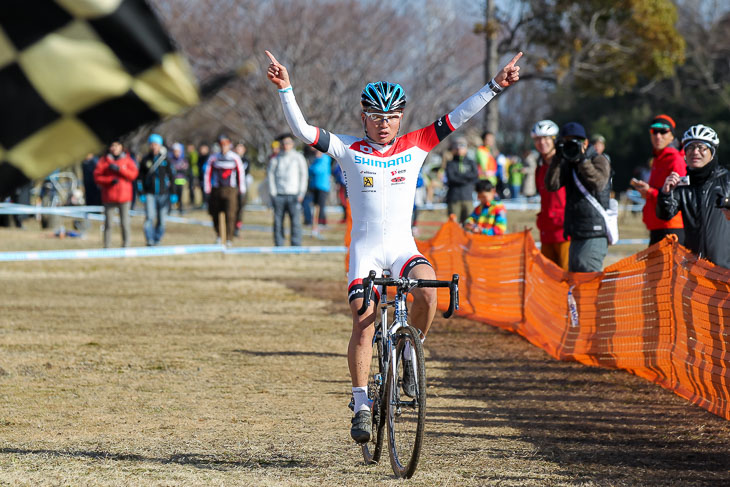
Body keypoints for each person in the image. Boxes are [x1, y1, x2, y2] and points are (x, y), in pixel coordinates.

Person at [265, 48, 522, 443]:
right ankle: (361, 401)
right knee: (365, 321)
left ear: (401, 117)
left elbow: (459, 115)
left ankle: (408, 357)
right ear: (363, 117)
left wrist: (495, 86)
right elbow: (303, 131)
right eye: (377, 116)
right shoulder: (346, 148)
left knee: (430, 293)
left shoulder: (417, 144)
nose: (384, 124)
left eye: (392, 117)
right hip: (366, 252)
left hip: (402, 248)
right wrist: (286, 89)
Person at [658, 124, 730, 268]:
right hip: (695, 270)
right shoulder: (682, 185)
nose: (695, 152)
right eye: (690, 148)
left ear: (712, 152)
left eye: (701, 147)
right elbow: (665, 214)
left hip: (725, 269)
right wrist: (665, 193)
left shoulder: (727, 180)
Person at [545, 122, 612, 273]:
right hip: (576, 231)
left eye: (575, 141)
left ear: (586, 142)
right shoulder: (567, 162)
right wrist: (557, 158)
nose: (571, 145)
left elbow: (599, 183)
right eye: (566, 141)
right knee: (576, 280)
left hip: (594, 231)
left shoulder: (598, 159)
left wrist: (582, 160)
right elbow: (551, 185)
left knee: (587, 276)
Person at [630, 115, 686, 246]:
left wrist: (649, 192)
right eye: (654, 132)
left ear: (672, 135)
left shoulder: (674, 159)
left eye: (663, 132)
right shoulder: (658, 158)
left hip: (671, 225)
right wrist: (646, 191)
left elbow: (678, 195)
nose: (658, 136)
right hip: (658, 225)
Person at [531, 120, 570, 270]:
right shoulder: (539, 168)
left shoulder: (565, 164)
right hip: (546, 231)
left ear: (555, 139)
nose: (542, 142)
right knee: (548, 277)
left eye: (546, 138)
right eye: (538, 139)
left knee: (567, 275)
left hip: (564, 231)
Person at [93, 140, 138, 248]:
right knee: (108, 223)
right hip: (109, 196)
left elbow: (133, 174)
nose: (115, 148)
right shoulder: (103, 161)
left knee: (125, 223)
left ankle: (126, 245)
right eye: (112, 145)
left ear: (121, 147)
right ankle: (107, 246)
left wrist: (120, 170)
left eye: (117, 146)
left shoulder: (127, 160)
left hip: (125, 197)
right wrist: (109, 180)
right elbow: (97, 177)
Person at [267, 134, 308, 246]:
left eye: (288, 143)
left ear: (292, 144)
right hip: (279, 195)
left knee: (295, 222)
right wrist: (273, 193)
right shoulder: (276, 159)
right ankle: (279, 244)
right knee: (278, 221)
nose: (286, 146)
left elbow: (304, 175)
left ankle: (296, 244)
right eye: (284, 143)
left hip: (294, 194)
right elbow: (270, 176)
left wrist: (301, 192)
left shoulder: (298, 158)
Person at [204, 134, 246, 245]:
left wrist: (241, 189)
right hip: (217, 189)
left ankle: (229, 238)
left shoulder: (235, 158)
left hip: (231, 190)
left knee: (230, 214)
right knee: (215, 213)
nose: (223, 147)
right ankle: (219, 235)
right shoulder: (213, 158)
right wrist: (207, 189)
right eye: (221, 144)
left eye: (226, 144)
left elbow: (240, 174)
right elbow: (207, 174)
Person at [137, 133, 173, 246]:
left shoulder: (165, 159)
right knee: (150, 217)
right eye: (152, 144)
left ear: (160, 145)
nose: (154, 147)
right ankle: (149, 240)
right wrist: (141, 192)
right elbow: (140, 178)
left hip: (163, 194)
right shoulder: (145, 160)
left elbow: (172, 176)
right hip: (149, 193)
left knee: (162, 219)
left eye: (156, 144)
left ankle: (158, 239)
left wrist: (173, 193)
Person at [445, 136, 479, 223]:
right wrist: (466, 178)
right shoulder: (450, 164)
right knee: (454, 225)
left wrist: (460, 176)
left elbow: (474, 176)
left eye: (462, 145)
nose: (459, 148)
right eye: (456, 146)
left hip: (468, 198)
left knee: (469, 224)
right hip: (454, 198)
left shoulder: (471, 163)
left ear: (467, 148)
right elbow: (452, 178)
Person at [308, 149, 333, 237]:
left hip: (322, 186)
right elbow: (310, 170)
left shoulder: (325, 158)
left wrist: (311, 167)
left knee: (320, 206)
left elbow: (316, 170)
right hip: (314, 185)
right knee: (315, 206)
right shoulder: (316, 159)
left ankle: (321, 223)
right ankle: (315, 225)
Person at [234, 142, 251, 237]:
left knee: (240, 208)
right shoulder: (231, 159)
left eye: (241, 148)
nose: (239, 150)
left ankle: (237, 226)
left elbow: (246, 172)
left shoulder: (246, 160)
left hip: (242, 187)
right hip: (233, 187)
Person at [169, 142, 190, 214]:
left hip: (180, 180)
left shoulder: (183, 160)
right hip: (173, 180)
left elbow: (185, 169)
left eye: (178, 151)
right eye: (175, 151)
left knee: (180, 195)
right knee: (172, 194)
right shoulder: (171, 160)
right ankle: (170, 208)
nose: (177, 153)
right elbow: (170, 170)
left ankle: (180, 207)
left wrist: (178, 170)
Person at [197, 144, 210, 208]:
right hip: (201, 177)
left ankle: (208, 203)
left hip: (208, 178)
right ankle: (204, 202)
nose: (203, 150)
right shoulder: (199, 158)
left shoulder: (209, 158)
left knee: (207, 191)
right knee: (202, 190)